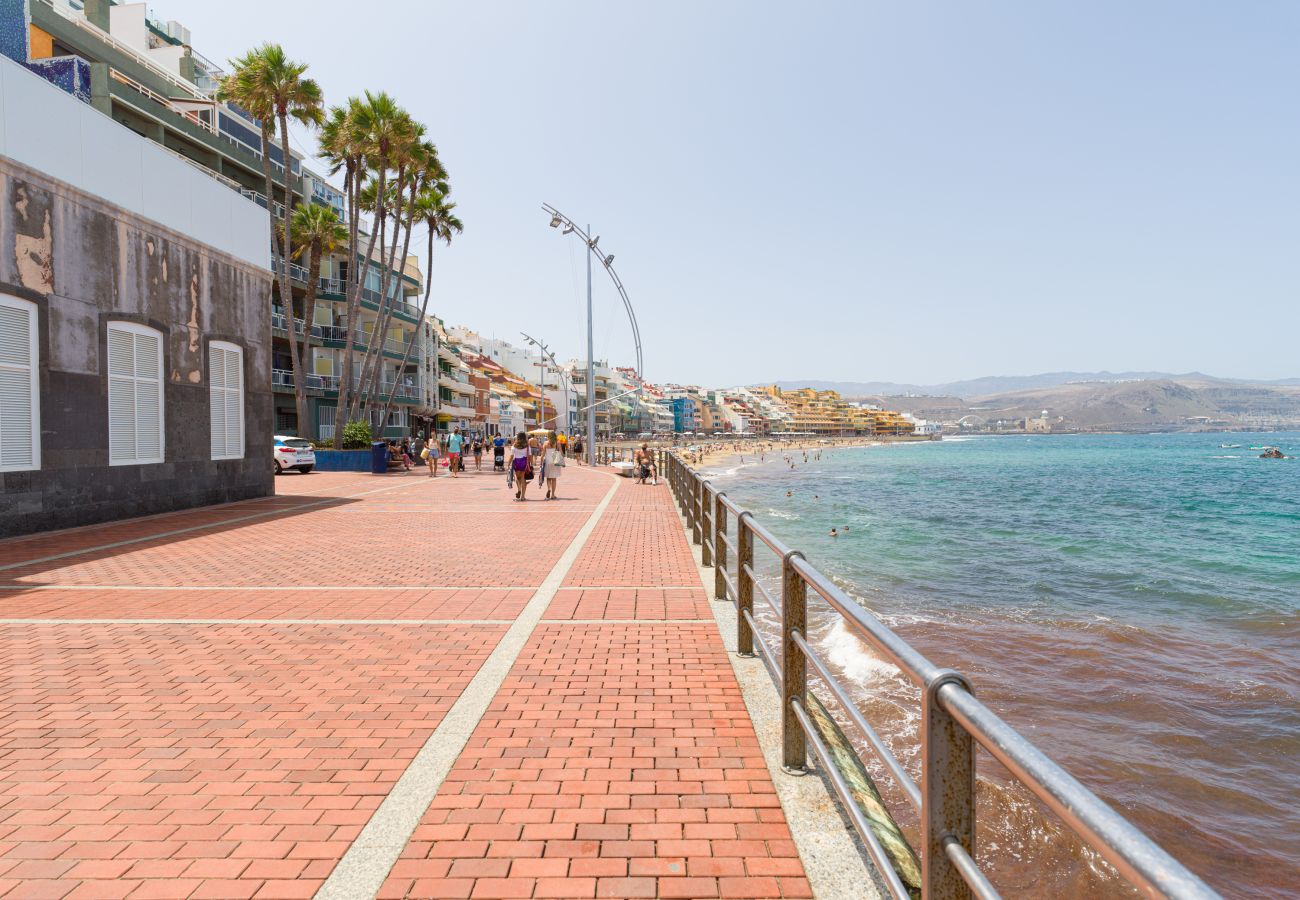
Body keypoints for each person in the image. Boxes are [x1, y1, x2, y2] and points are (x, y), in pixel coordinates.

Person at [508, 432, 531, 500]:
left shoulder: (514, 445)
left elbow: (511, 456)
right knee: (523, 478)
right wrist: (531, 464)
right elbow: (530, 456)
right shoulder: (527, 445)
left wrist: (508, 463)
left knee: (518, 478)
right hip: (524, 461)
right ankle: (523, 496)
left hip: (516, 462)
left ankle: (519, 490)